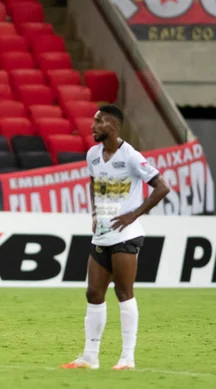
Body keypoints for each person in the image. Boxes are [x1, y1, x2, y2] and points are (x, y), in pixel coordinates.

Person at [61, 105, 170, 370]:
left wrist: (133, 215)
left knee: (124, 292)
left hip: (126, 235)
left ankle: (127, 358)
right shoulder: (93, 155)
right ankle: (90, 356)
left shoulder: (131, 156)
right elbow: (93, 183)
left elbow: (162, 187)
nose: (92, 126)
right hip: (102, 234)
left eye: (98, 122)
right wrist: (94, 213)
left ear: (113, 126)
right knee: (93, 292)